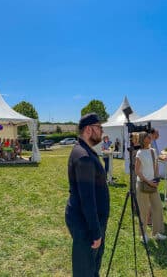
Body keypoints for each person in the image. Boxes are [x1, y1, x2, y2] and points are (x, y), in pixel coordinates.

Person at [65, 113, 110, 277]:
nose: (102, 131)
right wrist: (95, 232)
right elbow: (87, 200)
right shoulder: (83, 156)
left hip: (89, 221)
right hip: (86, 224)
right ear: (89, 129)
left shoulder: (84, 151)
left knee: (92, 267)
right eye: (99, 127)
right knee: (84, 270)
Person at [135, 132, 166, 242]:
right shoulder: (139, 153)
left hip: (153, 184)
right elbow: (137, 171)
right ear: (143, 140)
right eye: (148, 137)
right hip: (143, 184)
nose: (151, 137)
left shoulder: (153, 151)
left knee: (158, 208)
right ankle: (143, 235)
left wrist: (157, 178)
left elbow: (156, 166)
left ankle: (157, 233)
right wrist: (149, 182)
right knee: (143, 210)